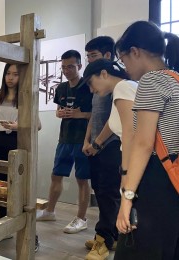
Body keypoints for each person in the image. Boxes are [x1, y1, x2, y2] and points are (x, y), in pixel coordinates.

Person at [113, 21, 179, 260]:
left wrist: (126, 198)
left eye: (124, 59)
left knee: (139, 249)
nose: (125, 67)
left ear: (135, 52)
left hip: (157, 180)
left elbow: (143, 143)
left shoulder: (151, 82)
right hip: (175, 180)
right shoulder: (175, 79)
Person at [82, 58, 138, 260]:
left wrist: (125, 172)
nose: (91, 89)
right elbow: (114, 124)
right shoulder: (121, 90)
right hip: (130, 157)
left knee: (114, 197)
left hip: (134, 160)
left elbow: (131, 134)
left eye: (91, 83)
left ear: (104, 74)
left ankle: (108, 242)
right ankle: (113, 240)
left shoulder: (123, 88)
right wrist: (96, 144)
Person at [37, 50, 93, 235]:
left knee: (82, 179)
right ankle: (50, 211)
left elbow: (97, 114)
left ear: (79, 65)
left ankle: (81, 219)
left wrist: (80, 114)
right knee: (56, 175)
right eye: (63, 67)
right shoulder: (61, 88)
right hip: (65, 138)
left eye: (70, 66)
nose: (66, 70)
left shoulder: (89, 85)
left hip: (83, 139)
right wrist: (59, 113)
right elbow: (58, 110)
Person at [0, 63, 41, 249]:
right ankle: (5, 227)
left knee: (22, 188)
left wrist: (17, 126)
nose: (11, 78)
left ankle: (30, 233)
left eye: (15, 74)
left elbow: (37, 125)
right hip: (0, 142)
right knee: (1, 186)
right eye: (8, 74)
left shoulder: (26, 98)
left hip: (19, 143)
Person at [81, 36, 123, 258]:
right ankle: (110, 236)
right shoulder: (99, 87)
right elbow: (93, 117)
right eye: (88, 56)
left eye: (93, 56)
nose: (90, 61)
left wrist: (97, 143)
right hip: (96, 146)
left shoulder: (117, 86)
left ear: (108, 57)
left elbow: (114, 121)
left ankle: (103, 240)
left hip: (111, 147)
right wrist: (88, 141)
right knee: (102, 192)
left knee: (108, 194)